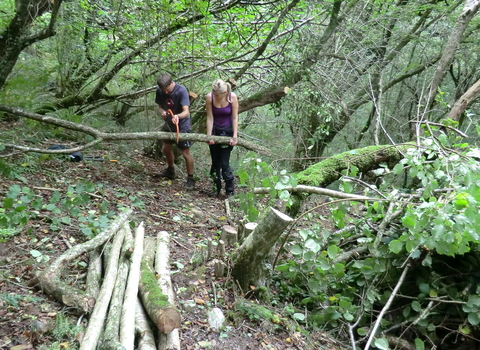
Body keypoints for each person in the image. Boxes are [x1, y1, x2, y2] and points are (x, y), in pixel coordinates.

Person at [154, 73, 195, 190]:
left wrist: (178, 116)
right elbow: (160, 106)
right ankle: (170, 170)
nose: (166, 92)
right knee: (166, 149)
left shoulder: (181, 91)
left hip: (182, 125)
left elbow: (186, 112)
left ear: (172, 83)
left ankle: (190, 178)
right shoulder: (159, 90)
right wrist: (162, 112)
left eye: (167, 90)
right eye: (164, 90)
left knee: (185, 153)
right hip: (169, 124)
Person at [206, 79, 239, 197]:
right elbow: (210, 117)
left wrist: (234, 136)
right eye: (214, 93)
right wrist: (209, 136)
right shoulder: (209, 97)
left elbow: (235, 117)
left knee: (224, 162)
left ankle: (229, 190)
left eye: (217, 94)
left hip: (228, 131)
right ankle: (216, 188)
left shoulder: (232, 97)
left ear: (224, 93)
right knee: (215, 162)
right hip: (215, 131)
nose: (215, 95)